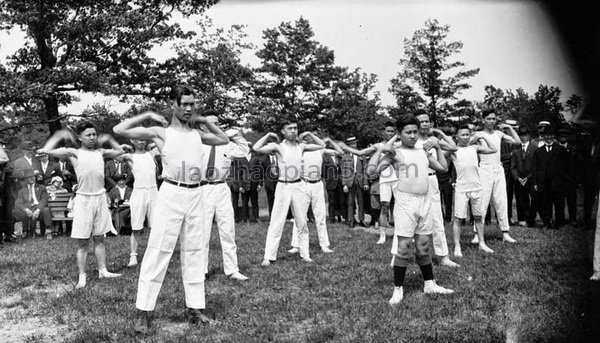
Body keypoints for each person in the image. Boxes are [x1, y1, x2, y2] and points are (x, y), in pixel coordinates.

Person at [112, 84, 229, 333]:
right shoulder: (160, 132)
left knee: (196, 249)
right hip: (171, 192)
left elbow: (223, 139)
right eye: (184, 104)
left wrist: (204, 121)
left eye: (192, 103)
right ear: (173, 105)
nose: (188, 108)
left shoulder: (198, 133)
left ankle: (195, 308)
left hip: (197, 193)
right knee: (158, 250)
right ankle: (143, 312)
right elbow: (119, 129)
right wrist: (146, 116)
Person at [367, 114, 454, 305]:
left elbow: (443, 168)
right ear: (400, 134)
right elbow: (371, 171)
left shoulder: (423, 151)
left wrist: (438, 147)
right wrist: (381, 150)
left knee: (423, 247)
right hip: (406, 203)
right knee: (404, 248)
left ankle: (430, 284)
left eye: (415, 132)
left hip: (425, 201)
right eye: (408, 132)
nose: (413, 135)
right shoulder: (395, 153)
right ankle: (398, 288)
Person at [38, 121, 126, 289]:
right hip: (84, 200)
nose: (93, 138)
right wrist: (59, 135)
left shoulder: (101, 151)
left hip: (100, 197)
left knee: (100, 237)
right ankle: (82, 276)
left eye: (94, 134)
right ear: (79, 137)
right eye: (88, 135)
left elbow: (121, 152)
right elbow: (48, 150)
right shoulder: (74, 153)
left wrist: (110, 139)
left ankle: (103, 270)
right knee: (83, 241)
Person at [253, 120, 325, 266]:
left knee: (302, 221)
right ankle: (269, 256)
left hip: (298, 186)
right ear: (283, 131)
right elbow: (256, 147)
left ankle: (305, 254)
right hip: (283, 186)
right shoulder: (278, 147)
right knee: (276, 221)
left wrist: (310, 133)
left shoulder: (302, 146)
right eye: (290, 128)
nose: (293, 130)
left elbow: (322, 145)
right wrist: (268, 135)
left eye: (295, 128)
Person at [199, 115, 250, 281]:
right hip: (203, 188)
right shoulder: (197, 142)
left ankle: (232, 269)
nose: (214, 126)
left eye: (217, 124)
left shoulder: (227, 143)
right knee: (202, 232)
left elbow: (244, 149)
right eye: (210, 124)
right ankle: (201, 270)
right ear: (203, 126)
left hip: (221, 188)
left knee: (228, 229)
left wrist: (233, 133)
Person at [415, 112, 459, 267]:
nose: (425, 124)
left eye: (427, 121)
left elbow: (454, 147)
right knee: (412, 219)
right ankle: (401, 255)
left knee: (437, 219)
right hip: (415, 181)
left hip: (432, 180)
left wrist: (439, 137)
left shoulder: (434, 139)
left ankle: (443, 256)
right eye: (422, 122)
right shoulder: (412, 140)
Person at [471, 110, 521, 244]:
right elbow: (464, 146)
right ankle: (477, 233)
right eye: (488, 119)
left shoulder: (499, 134)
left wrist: (510, 128)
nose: (492, 121)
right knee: (482, 203)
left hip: (498, 169)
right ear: (483, 120)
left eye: (493, 119)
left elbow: (517, 141)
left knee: (501, 201)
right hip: (484, 169)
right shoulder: (478, 135)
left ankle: (505, 232)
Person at [288, 135, 342, 255]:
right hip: (303, 184)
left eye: (310, 137)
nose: (307, 140)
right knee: (300, 216)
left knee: (320, 216)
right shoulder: (299, 150)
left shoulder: (320, 150)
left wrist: (329, 140)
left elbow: (340, 151)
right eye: (304, 138)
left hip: (317, 184)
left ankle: (324, 245)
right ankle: (296, 245)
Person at [449, 125, 496, 257]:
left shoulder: (474, 148)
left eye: (467, 135)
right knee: (458, 218)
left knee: (478, 217)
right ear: (457, 136)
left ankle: (482, 243)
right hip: (461, 189)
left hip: (476, 187)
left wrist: (483, 136)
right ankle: (457, 246)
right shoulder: (453, 150)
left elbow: (493, 149)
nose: (465, 137)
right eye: (462, 135)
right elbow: (443, 146)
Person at [119, 139, 159, 267]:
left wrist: (154, 142)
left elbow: (167, 144)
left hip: (153, 192)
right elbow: (114, 154)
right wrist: (123, 146)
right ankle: (133, 256)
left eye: (143, 138)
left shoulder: (152, 154)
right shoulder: (130, 157)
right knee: (136, 227)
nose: (141, 141)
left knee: (156, 226)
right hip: (139, 192)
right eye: (138, 139)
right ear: (132, 141)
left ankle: (155, 255)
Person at [531, 125, 568, 230]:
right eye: (547, 135)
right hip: (544, 182)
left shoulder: (560, 150)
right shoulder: (538, 151)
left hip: (557, 182)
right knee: (545, 203)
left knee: (559, 203)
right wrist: (535, 183)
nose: (549, 137)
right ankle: (547, 222)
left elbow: (566, 166)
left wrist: (564, 180)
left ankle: (559, 223)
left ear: (554, 136)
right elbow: (535, 169)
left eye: (551, 135)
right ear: (544, 136)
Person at [510, 125, 539, 227]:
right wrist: (517, 178)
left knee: (534, 199)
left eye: (525, 135)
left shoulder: (535, 148)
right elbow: (512, 166)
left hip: (530, 179)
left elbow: (536, 166)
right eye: (521, 135)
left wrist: (528, 177)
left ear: (529, 136)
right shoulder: (516, 149)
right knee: (521, 199)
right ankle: (522, 218)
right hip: (519, 179)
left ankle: (531, 218)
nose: (523, 137)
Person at [12, 168, 52, 238]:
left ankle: (48, 231)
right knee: (18, 211)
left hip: (38, 208)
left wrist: (38, 210)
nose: (32, 178)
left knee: (46, 210)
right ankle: (26, 231)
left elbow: (44, 200)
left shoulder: (41, 187)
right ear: (25, 179)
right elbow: (18, 203)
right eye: (29, 177)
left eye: (33, 176)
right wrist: (26, 209)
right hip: (28, 209)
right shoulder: (22, 190)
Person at [339, 136, 369, 228]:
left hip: (359, 180)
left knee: (361, 202)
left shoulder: (361, 155)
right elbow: (343, 171)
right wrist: (344, 184)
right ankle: (351, 220)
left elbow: (365, 169)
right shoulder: (345, 156)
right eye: (351, 144)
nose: (353, 145)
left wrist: (365, 182)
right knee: (350, 202)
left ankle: (361, 219)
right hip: (349, 181)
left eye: (355, 143)